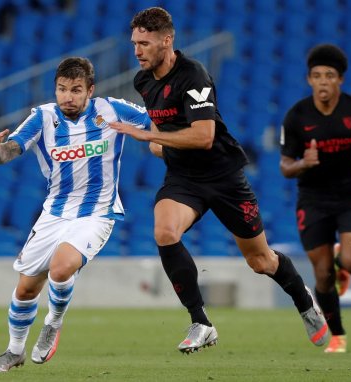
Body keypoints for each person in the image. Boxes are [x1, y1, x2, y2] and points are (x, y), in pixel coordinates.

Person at [110, 7, 328, 353]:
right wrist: (151, 141)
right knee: (164, 232)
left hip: (224, 177)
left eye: (145, 43)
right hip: (183, 177)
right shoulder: (143, 81)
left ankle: (304, 300)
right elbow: (158, 135)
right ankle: (201, 322)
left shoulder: (193, 75)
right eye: (134, 42)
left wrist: (147, 138)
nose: (137, 50)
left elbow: (203, 136)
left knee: (260, 262)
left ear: (167, 40)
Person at [0, 57, 152, 372]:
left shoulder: (111, 110)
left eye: (75, 90)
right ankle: (14, 350)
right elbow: (11, 150)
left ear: (91, 90)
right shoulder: (43, 117)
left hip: (98, 212)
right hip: (54, 212)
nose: (67, 97)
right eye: (62, 89)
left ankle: (53, 323)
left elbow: (155, 122)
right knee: (26, 289)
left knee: (61, 269)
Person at [279, 44, 351, 353]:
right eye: (317, 76)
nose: (323, 81)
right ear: (309, 80)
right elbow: (285, 167)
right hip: (312, 200)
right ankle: (337, 334)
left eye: (329, 76)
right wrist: (302, 164)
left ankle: (343, 260)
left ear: (340, 80)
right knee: (322, 275)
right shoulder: (297, 116)